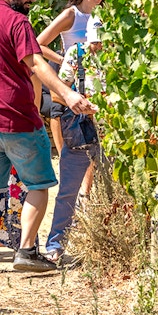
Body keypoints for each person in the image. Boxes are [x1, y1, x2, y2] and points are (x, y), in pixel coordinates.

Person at [0, 0, 96, 274]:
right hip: (18, 117)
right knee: (39, 184)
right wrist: (68, 93)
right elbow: (36, 63)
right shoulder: (17, 22)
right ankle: (27, 251)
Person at [45, 15, 104, 262]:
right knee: (68, 189)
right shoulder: (76, 54)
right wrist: (79, 103)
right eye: (94, 42)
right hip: (81, 129)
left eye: (101, 42)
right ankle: (55, 245)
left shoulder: (123, 56)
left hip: (114, 134)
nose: (98, 47)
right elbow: (58, 94)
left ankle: (105, 243)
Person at [36, 0, 104, 156]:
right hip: (71, 70)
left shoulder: (102, 14)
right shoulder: (71, 14)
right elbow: (38, 43)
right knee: (59, 111)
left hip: (94, 73)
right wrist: (64, 59)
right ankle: (64, 158)